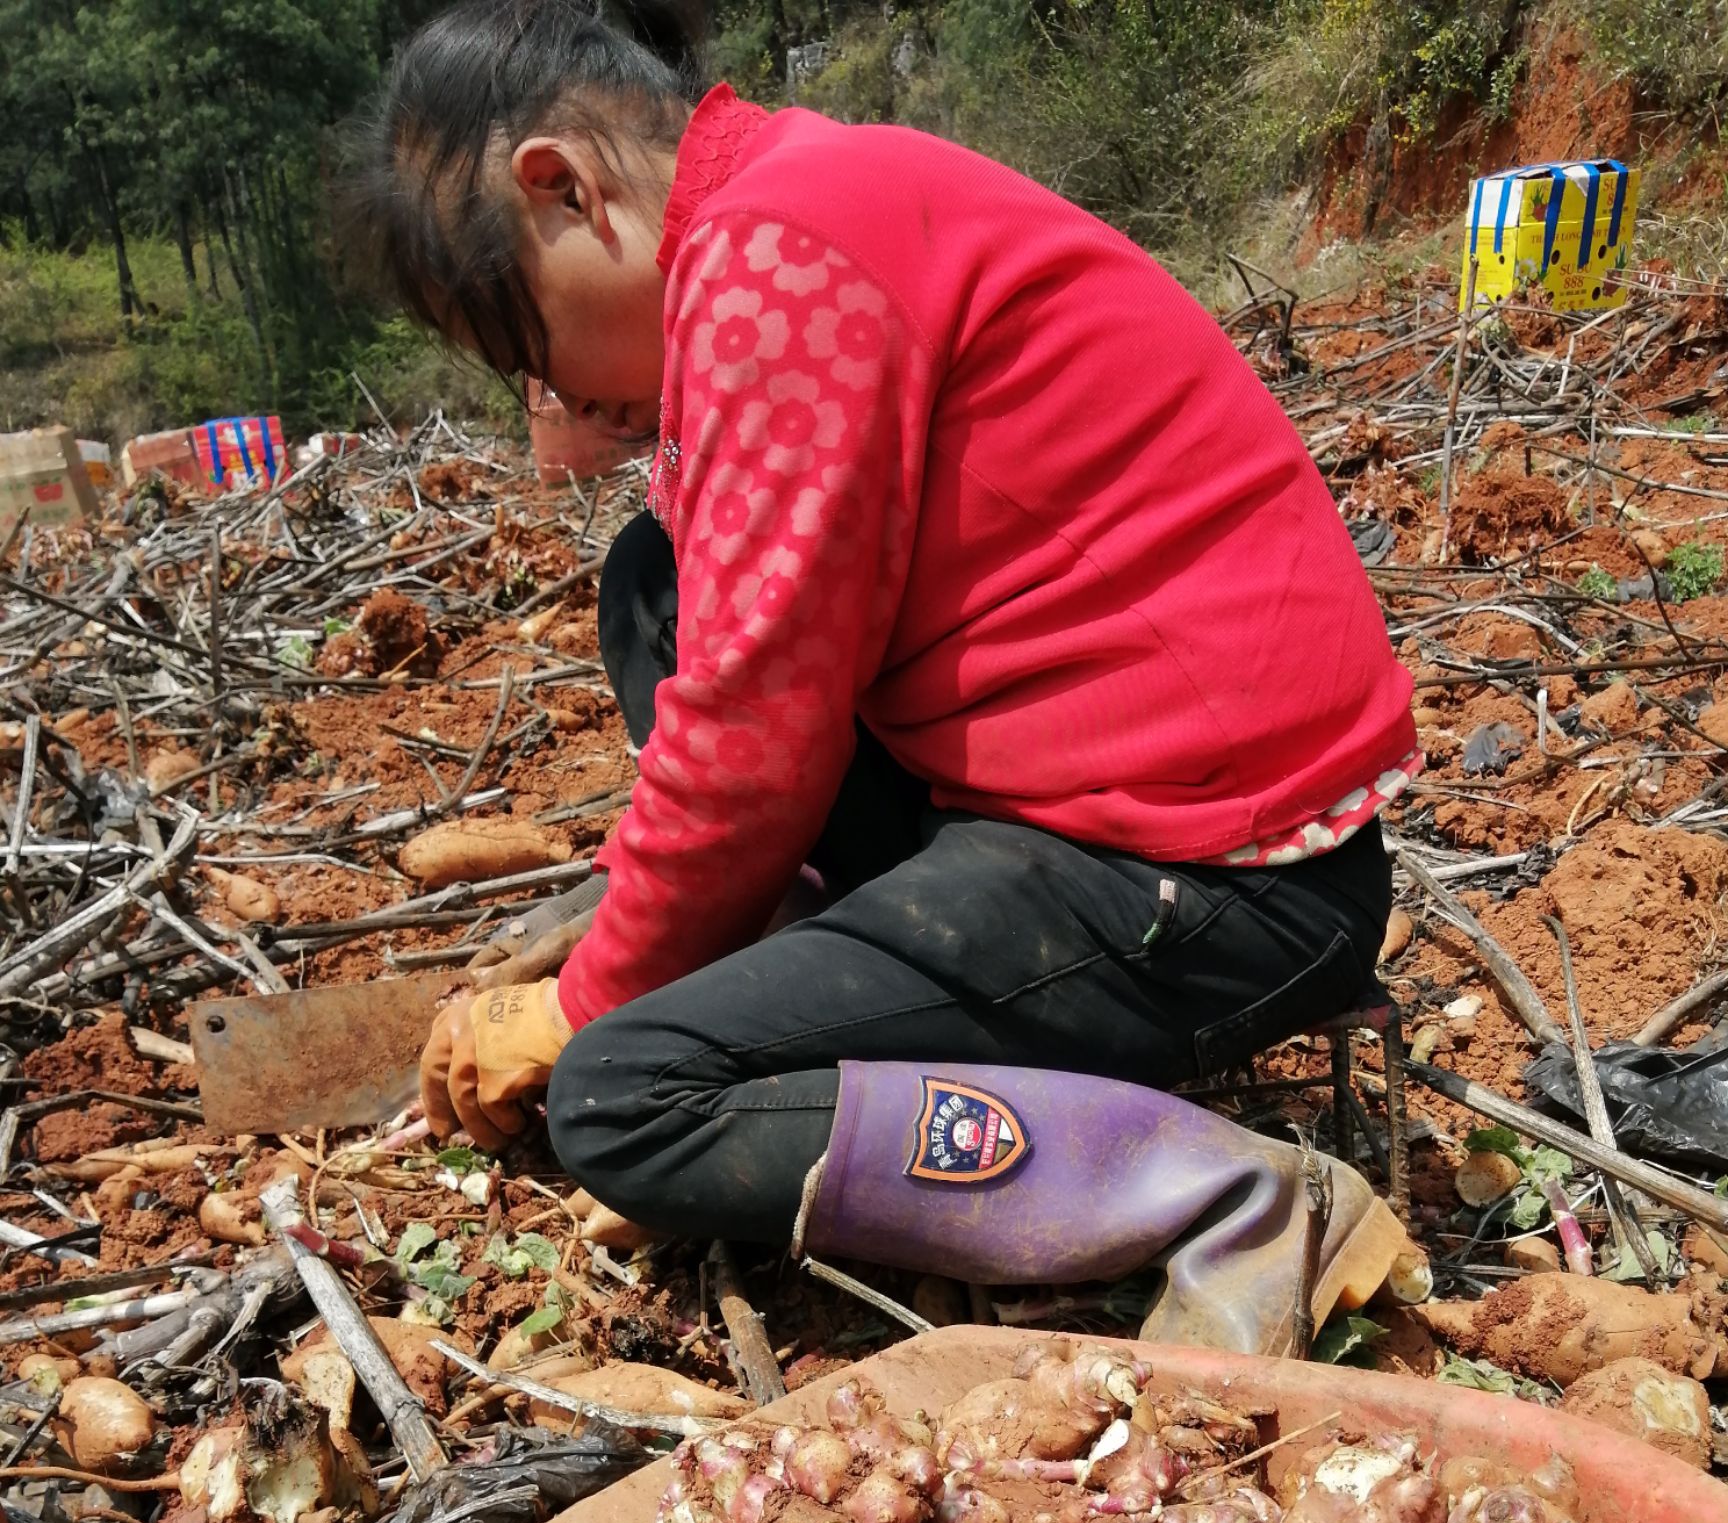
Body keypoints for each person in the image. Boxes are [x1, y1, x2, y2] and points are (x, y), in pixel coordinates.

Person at [369, 0, 1415, 1354]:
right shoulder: (787, 206)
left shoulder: (773, 258)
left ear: (563, 189)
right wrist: (653, 922)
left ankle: (1222, 1199)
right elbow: (745, 654)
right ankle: (808, 968)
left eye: (532, 355)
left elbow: (753, 733)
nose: (558, 419)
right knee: (655, 580)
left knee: (627, 1095)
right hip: (1088, 812)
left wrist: (590, 1003)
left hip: (1216, 882)